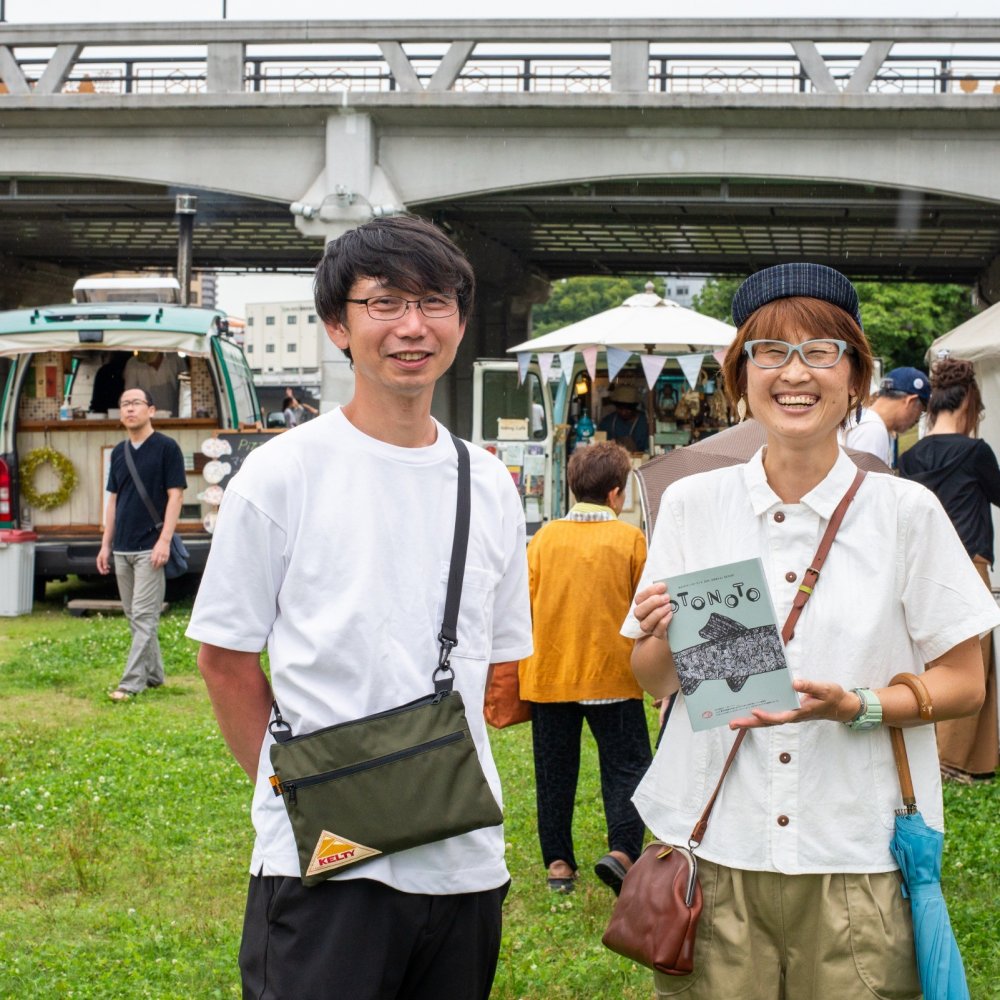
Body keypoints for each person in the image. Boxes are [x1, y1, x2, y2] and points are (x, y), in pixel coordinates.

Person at [623, 263, 997, 999]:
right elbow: (656, 678)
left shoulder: (905, 514)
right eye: (770, 351)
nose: (795, 373)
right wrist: (661, 634)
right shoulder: (696, 504)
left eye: (821, 351)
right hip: (715, 850)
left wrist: (856, 706)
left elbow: (966, 682)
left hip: (854, 855)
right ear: (741, 375)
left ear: (856, 377)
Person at [185, 216, 532, 1000]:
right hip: (321, 866)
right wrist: (290, 792)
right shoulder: (282, 475)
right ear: (339, 325)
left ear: (460, 319)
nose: (412, 326)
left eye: (434, 302)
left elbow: (499, 662)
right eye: (383, 304)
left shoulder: (490, 484)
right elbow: (224, 658)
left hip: (464, 861)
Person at [518, 442, 650, 896]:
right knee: (628, 767)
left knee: (554, 773)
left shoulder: (543, 540)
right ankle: (622, 853)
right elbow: (645, 613)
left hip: (550, 674)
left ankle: (558, 865)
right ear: (616, 494)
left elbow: (524, 606)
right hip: (614, 675)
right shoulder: (631, 540)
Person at [899, 357, 1000, 783]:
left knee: (929, 658)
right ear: (969, 404)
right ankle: (954, 760)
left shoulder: (911, 455)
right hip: (968, 562)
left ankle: (937, 749)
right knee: (972, 660)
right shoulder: (975, 451)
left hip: (919, 567)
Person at [97, 388, 186, 701]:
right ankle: (155, 673)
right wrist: (105, 544)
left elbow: (176, 495)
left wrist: (164, 541)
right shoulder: (119, 453)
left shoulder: (166, 448)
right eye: (124, 404)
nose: (129, 409)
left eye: (135, 403)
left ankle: (131, 683)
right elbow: (113, 500)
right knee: (136, 616)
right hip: (121, 548)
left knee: (144, 616)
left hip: (151, 548)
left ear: (152, 410)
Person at [841, 365, 929, 467]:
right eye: (921, 410)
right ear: (910, 402)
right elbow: (867, 482)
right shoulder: (873, 429)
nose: (917, 419)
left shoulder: (865, 420)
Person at [599, 385, 649, 452]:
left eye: (628, 409)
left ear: (635, 406)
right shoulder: (607, 422)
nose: (623, 413)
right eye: (620, 408)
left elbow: (648, 449)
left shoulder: (645, 422)